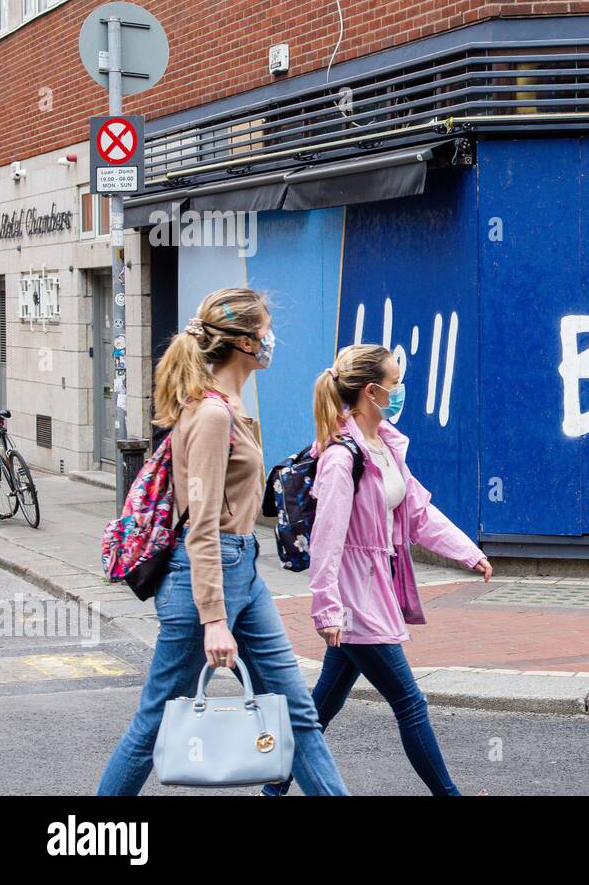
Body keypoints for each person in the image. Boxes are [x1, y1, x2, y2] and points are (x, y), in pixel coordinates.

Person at [97, 288, 348, 796]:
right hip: (206, 576)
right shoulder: (211, 415)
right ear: (246, 343)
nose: (271, 339)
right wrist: (214, 619)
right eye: (266, 330)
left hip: (242, 570)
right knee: (153, 723)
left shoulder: (225, 406)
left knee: (298, 714)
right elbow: (202, 523)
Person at [261, 344, 492, 796]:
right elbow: (326, 542)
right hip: (355, 598)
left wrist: (468, 553)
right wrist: (327, 609)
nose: (400, 391)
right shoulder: (341, 458)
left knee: (321, 707)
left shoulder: (384, 446)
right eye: (395, 383)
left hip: (374, 587)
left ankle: (272, 790)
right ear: (372, 391)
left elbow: (418, 512)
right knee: (410, 702)